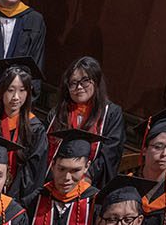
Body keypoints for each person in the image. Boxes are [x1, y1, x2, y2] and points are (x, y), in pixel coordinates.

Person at [21, 130, 99, 225]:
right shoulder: (34, 200)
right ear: (53, 164)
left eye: (75, 170)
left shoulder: (95, 204)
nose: (66, 178)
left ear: (87, 166)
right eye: (61, 169)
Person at [42, 56, 126, 186]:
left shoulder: (111, 113)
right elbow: (44, 149)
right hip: (55, 181)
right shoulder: (56, 113)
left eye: (85, 81)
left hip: (90, 184)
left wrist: (87, 176)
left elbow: (110, 153)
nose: (79, 87)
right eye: (73, 83)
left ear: (96, 82)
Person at [0, 57, 49, 200]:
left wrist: (13, 199)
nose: (16, 97)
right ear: (1, 91)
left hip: (18, 201)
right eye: (10, 90)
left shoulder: (35, 129)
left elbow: (34, 173)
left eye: (22, 90)